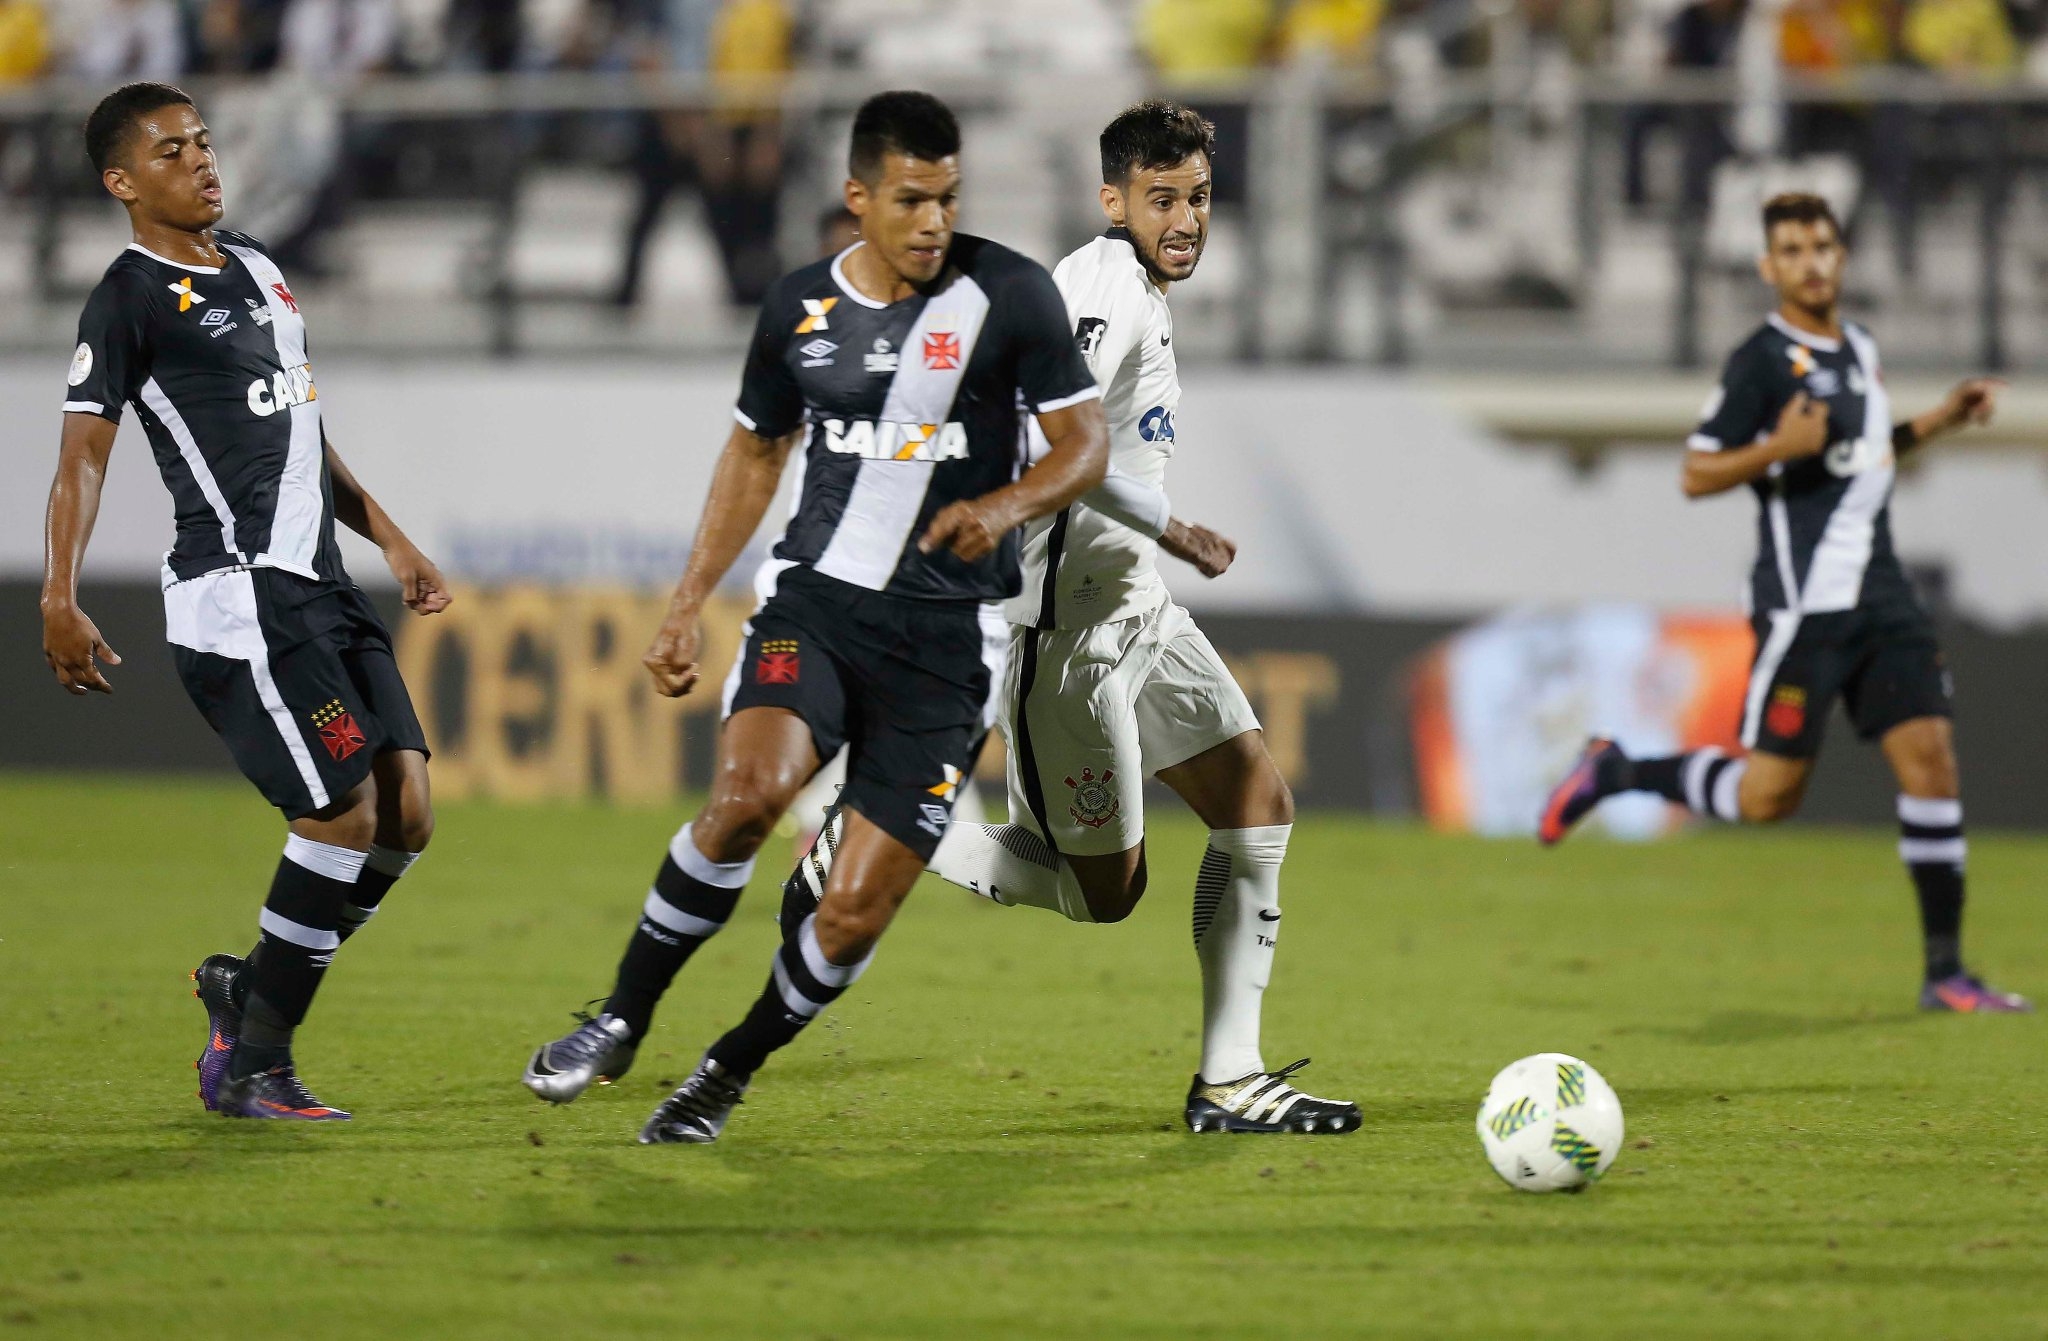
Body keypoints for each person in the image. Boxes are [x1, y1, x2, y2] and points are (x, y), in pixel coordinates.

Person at [520, 91, 1113, 1144]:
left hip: (948, 646)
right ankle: (617, 1016)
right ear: (858, 198)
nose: (934, 221)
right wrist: (685, 602)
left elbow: (1081, 444)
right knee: (746, 797)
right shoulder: (798, 305)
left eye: (948, 198)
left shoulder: (1010, 295)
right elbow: (755, 452)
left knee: (849, 913)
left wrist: (1006, 504)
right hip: (818, 608)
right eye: (912, 199)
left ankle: (725, 1070)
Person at [790, 101, 1361, 1135]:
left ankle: (1229, 1080)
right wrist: (1172, 524)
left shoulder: (1130, 283)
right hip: (1069, 643)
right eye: (1162, 199)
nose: (1185, 219)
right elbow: (1057, 445)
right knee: (1101, 894)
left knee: (1255, 804)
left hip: (1139, 610)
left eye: (1196, 199)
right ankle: (867, 830)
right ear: (1112, 199)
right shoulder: (1104, 289)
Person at [42, 83, 451, 1120]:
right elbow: (82, 457)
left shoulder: (262, 267)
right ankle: (258, 1065)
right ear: (123, 182)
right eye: (172, 152)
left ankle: (248, 988)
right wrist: (59, 592)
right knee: (341, 813)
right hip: (238, 594)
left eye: (205, 143)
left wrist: (390, 534)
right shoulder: (128, 298)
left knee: (406, 814)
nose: (203, 162)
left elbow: (298, 429)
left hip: (320, 580)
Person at [1539, 192, 2030, 1015]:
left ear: (1841, 256)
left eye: (1823, 245)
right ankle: (1619, 767)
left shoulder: (1861, 347)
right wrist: (1776, 446)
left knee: (1932, 759)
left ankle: (1945, 971)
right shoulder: (1761, 361)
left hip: (1885, 597)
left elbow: (1861, 455)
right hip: (1806, 608)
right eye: (1793, 249)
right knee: (1769, 798)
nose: (1811, 260)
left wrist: (1941, 419)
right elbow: (1697, 472)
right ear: (1769, 267)